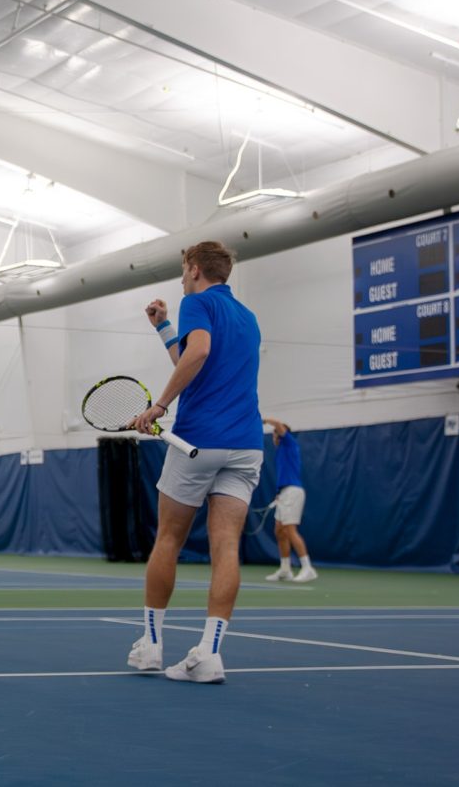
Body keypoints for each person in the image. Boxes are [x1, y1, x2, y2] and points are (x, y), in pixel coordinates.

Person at [128, 241, 263, 684]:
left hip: (199, 440)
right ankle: (209, 654)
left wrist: (159, 405)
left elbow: (199, 352)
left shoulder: (196, 302)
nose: (182, 278)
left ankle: (150, 647)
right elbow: (193, 358)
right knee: (226, 546)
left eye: (184, 270)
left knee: (168, 538)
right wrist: (164, 326)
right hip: (246, 444)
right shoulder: (247, 317)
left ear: (195, 269)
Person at [261, 418, 316, 583]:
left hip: (293, 492)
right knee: (279, 531)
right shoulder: (281, 452)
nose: (274, 436)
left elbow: (278, 425)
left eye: (276, 434)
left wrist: (264, 420)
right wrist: (279, 494)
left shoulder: (289, 443)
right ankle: (285, 570)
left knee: (290, 530)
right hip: (284, 493)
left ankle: (307, 568)